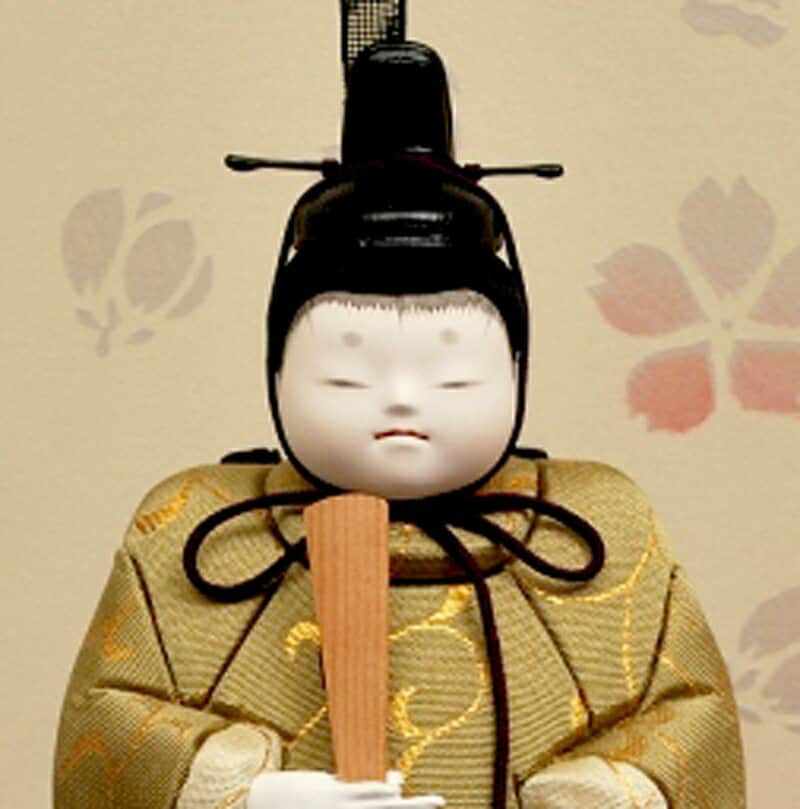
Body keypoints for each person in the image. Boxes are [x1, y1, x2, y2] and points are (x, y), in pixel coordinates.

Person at [54, 31, 746, 809]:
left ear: (516, 370)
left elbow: (691, 716)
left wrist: (611, 790)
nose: (402, 400)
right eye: (347, 375)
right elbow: (108, 722)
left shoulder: (602, 526)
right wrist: (244, 792)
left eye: (454, 376)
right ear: (276, 371)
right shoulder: (194, 533)